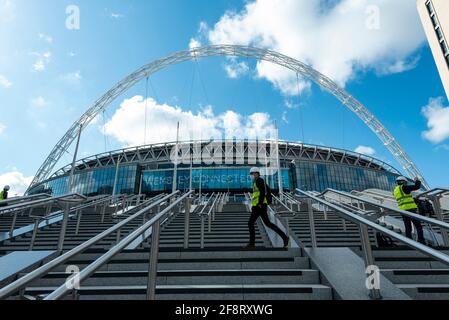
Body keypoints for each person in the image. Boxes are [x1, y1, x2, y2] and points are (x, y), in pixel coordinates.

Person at [246, 167, 289, 249]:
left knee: (250, 223)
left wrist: (259, 203)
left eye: (252, 173)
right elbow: (266, 191)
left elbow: (262, 192)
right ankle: (284, 237)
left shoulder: (259, 180)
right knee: (268, 223)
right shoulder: (257, 181)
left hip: (259, 206)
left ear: (256, 173)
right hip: (260, 205)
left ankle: (252, 244)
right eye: (251, 174)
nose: (251, 175)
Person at [393, 177, 426, 244]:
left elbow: (404, 198)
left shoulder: (395, 190)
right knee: (418, 226)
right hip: (411, 209)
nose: (406, 183)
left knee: (408, 227)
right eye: (406, 182)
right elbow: (417, 186)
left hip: (403, 210)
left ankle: (409, 242)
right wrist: (417, 180)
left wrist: (414, 199)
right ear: (402, 181)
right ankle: (421, 241)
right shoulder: (404, 187)